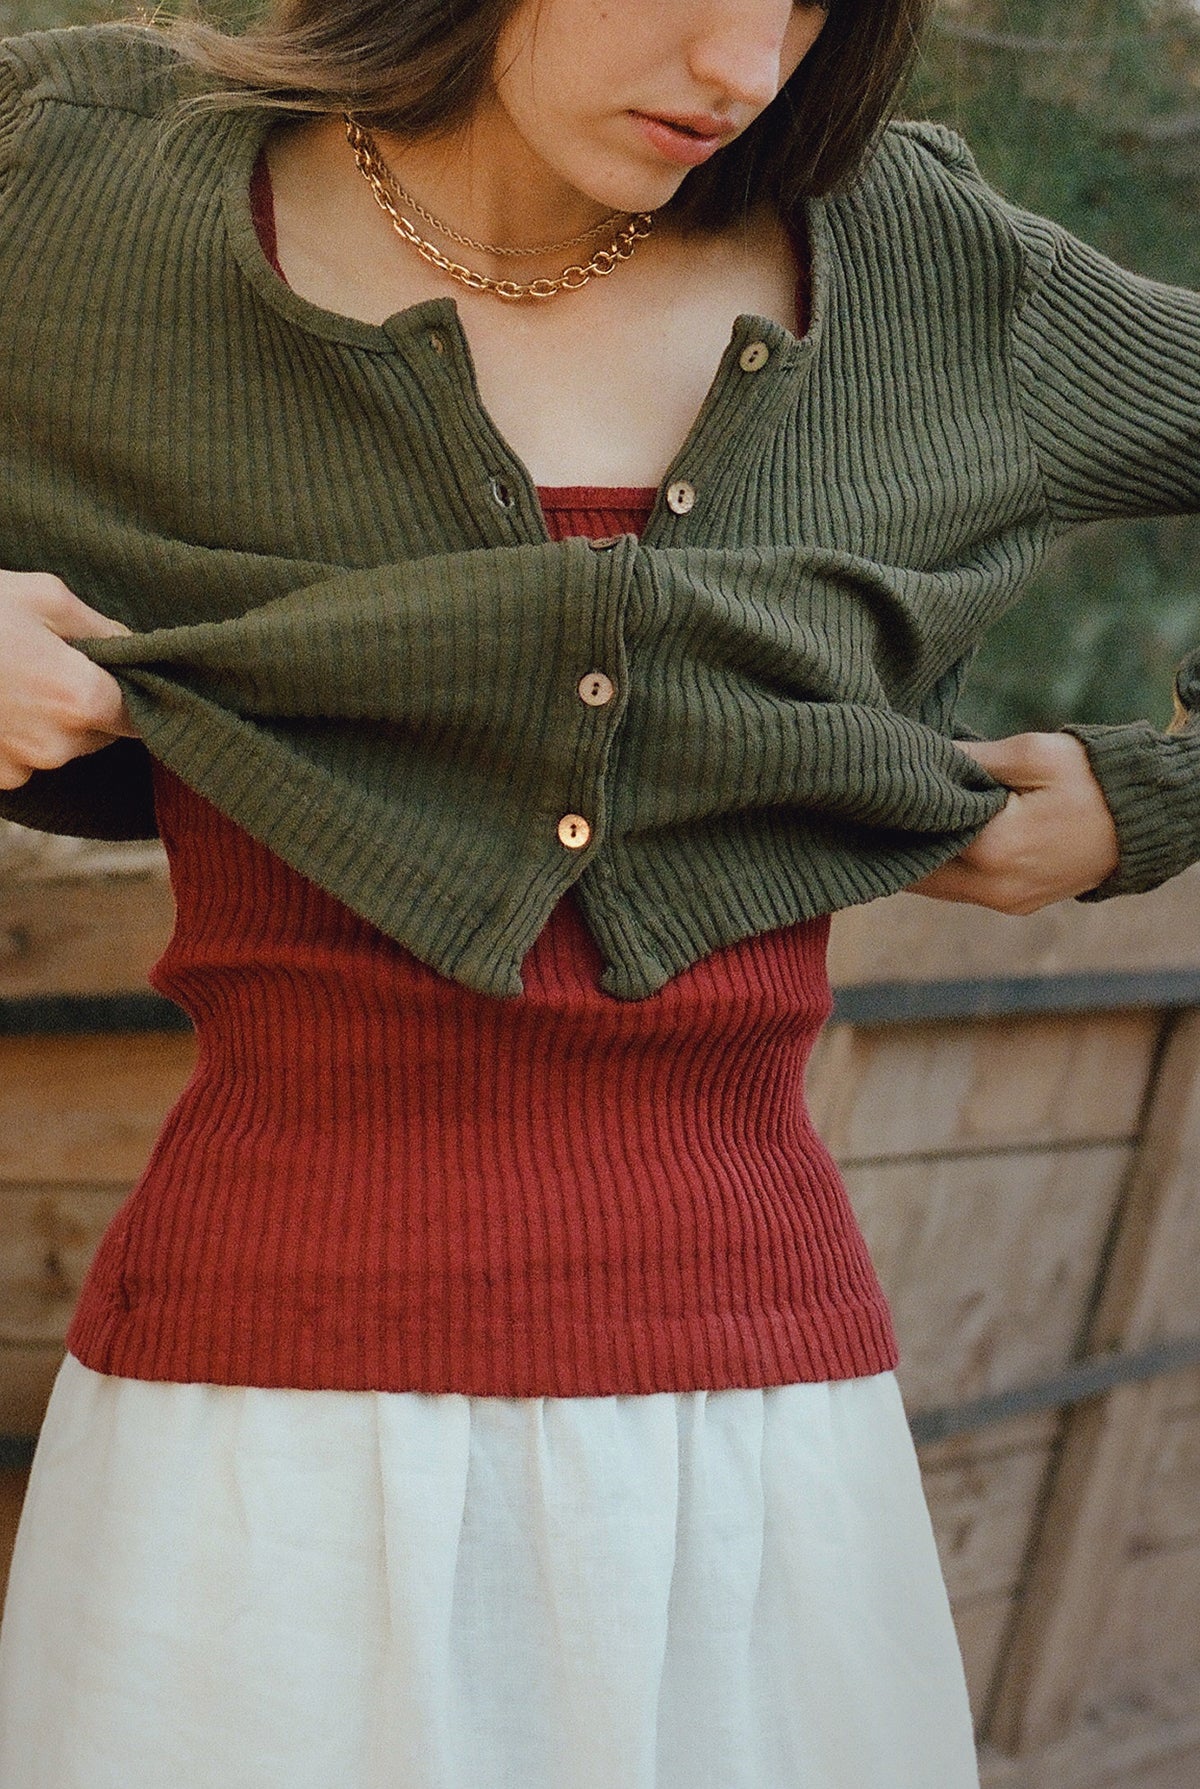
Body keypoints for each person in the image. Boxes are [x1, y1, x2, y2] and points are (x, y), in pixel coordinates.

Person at [0, 0, 1196, 1782]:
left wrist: (1150, 796)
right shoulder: (73, 172)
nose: (746, 70)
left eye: (804, 5)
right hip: (244, 1454)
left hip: (756, 1457)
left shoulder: (921, 268)